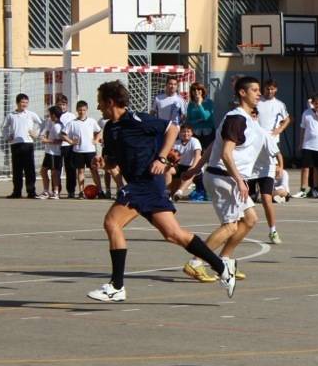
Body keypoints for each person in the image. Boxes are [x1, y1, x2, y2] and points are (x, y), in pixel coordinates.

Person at [89, 80, 233, 302]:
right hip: (140, 185)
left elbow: (172, 128)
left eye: (100, 102)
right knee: (174, 234)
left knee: (112, 223)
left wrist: (162, 157)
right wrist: (103, 164)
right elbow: (112, 163)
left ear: (110, 102)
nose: (98, 107)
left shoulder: (137, 120)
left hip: (147, 182)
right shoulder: (110, 129)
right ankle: (221, 267)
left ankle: (117, 286)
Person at [184, 77, 266, 286]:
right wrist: (239, 180)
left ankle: (225, 259)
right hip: (224, 177)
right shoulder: (236, 118)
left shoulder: (245, 119)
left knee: (250, 220)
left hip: (231, 177)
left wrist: (195, 168)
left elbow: (214, 144)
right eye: (254, 90)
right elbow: (226, 154)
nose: (258, 93)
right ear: (242, 93)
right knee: (230, 226)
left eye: (259, 90)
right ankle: (196, 261)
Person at [1, 93, 43, 198]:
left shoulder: (31, 114)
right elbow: (4, 127)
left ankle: (31, 191)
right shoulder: (11, 115)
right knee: (17, 170)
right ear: (17, 103)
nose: (24, 104)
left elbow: (43, 123)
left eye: (26, 102)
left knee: (29, 169)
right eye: (22, 102)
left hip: (28, 144)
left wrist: (36, 134)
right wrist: (7, 136)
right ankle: (17, 191)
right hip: (16, 145)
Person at [64, 100, 103, 198]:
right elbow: (63, 134)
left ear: (87, 110)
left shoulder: (91, 121)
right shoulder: (72, 123)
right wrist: (70, 141)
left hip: (90, 150)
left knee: (94, 171)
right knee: (80, 171)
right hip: (78, 151)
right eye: (80, 110)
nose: (82, 112)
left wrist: (96, 140)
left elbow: (98, 131)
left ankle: (100, 190)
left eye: (84, 110)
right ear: (77, 110)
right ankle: (81, 191)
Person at [38, 106, 65, 199]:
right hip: (49, 152)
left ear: (53, 115)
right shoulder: (53, 124)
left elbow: (60, 140)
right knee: (43, 171)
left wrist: (47, 141)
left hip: (55, 153)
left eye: (50, 114)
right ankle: (46, 191)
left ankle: (56, 192)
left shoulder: (58, 126)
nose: (49, 116)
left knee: (54, 172)